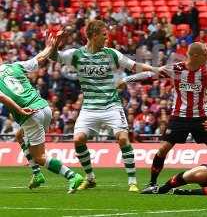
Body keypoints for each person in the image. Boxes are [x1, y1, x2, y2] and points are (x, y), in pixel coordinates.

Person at [51, 20, 153, 192]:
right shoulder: (76, 55)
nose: (107, 37)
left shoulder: (112, 54)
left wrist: (155, 69)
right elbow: (54, 56)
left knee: (122, 138)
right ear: (92, 35)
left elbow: (134, 66)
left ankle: (132, 181)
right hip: (89, 107)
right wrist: (56, 44)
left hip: (111, 105)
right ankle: (90, 178)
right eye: (103, 34)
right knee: (78, 140)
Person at [118, 42, 207, 193]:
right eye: (205, 53)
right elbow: (150, 73)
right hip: (179, 117)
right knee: (162, 149)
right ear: (195, 56)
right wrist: (126, 80)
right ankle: (152, 183)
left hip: (201, 118)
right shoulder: (176, 69)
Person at [0, 34, 83, 193]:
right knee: (19, 136)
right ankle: (37, 174)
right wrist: (50, 46)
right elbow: (39, 58)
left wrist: (19, 110)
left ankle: (72, 176)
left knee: (40, 157)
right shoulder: (14, 66)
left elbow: (2, 97)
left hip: (30, 114)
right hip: (45, 108)